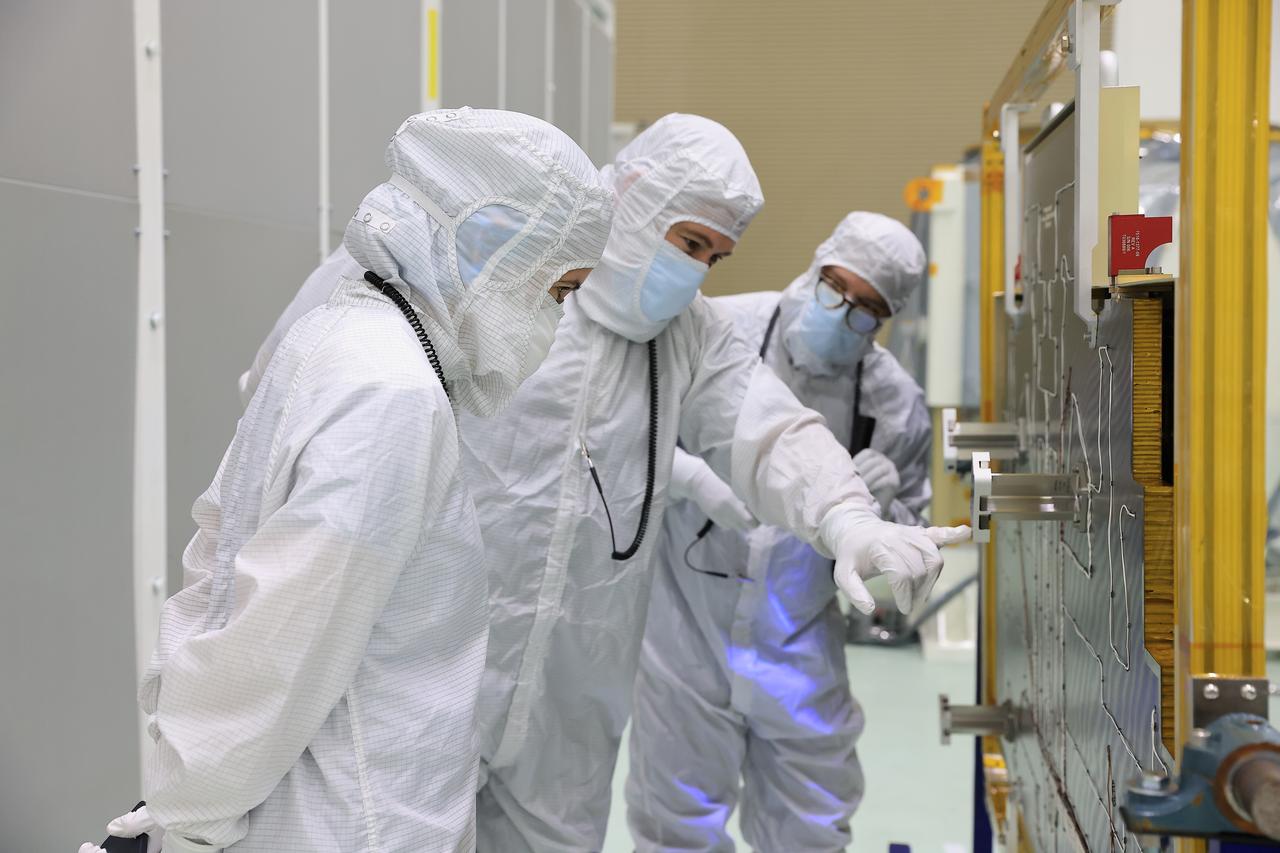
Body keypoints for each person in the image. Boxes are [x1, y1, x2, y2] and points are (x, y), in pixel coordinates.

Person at [80, 108, 614, 853]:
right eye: (558, 290)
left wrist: (182, 791)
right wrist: (190, 816)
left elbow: (217, 562)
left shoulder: (339, 336)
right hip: (349, 819)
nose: (554, 319)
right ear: (495, 252)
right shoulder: (392, 393)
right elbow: (284, 639)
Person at [458, 116, 967, 851]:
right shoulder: (504, 287)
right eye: (690, 242)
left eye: (714, 256)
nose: (696, 272)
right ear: (633, 197)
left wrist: (848, 514)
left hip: (578, 686)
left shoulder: (688, 331)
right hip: (459, 654)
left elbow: (771, 430)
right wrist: (691, 476)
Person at [626, 211, 932, 852]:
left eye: (866, 310)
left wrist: (882, 513)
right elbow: (624, 437)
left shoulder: (894, 405)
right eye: (834, 288)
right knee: (675, 823)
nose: (841, 314)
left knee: (811, 823)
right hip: (686, 629)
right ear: (816, 264)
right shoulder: (717, 329)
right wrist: (692, 476)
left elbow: (902, 580)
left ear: (887, 320)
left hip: (798, 639)